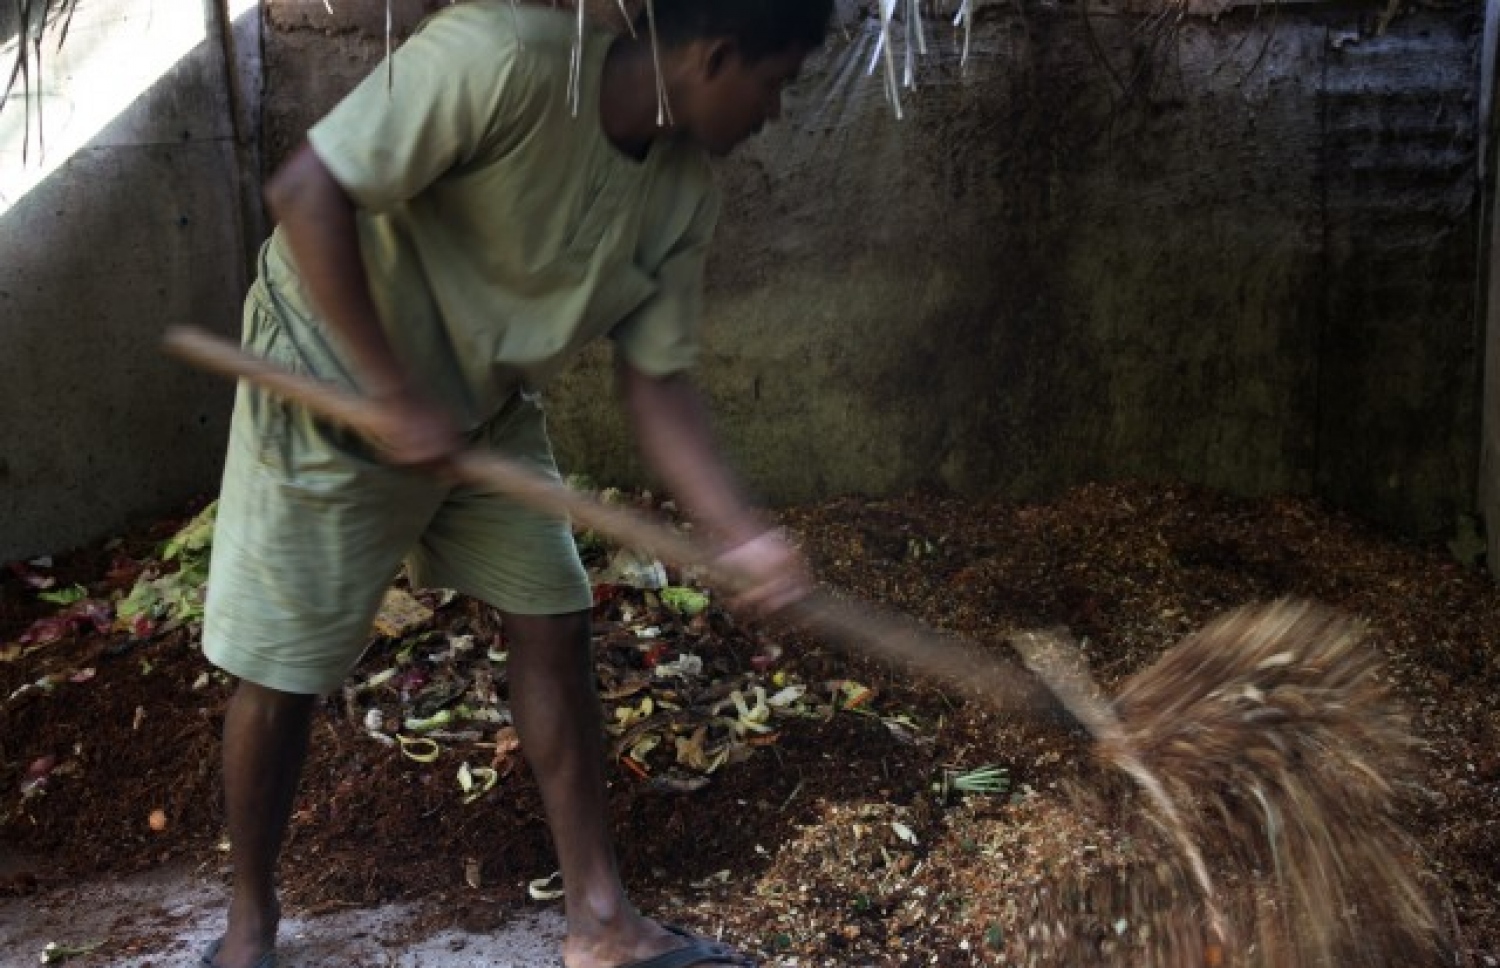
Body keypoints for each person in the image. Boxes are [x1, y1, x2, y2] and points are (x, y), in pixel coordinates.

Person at [197, 1, 834, 966]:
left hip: (479, 410)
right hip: (334, 373)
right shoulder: (500, 58)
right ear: (716, 56)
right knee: (285, 669)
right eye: (777, 85)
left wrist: (738, 531)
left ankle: (601, 922)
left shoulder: (683, 194)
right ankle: (248, 929)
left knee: (552, 618)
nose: (775, 113)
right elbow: (306, 189)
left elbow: (657, 380)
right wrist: (394, 391)